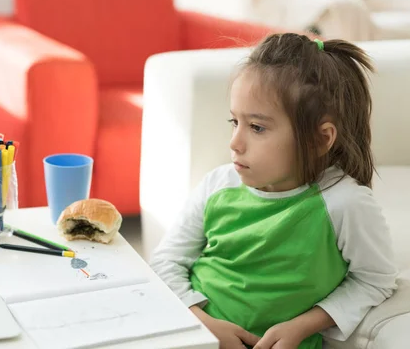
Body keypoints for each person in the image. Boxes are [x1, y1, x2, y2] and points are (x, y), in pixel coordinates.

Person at [150, 33, 398, 349]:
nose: (234, 142)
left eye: (257, 127)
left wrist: (303, 325)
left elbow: (375, 279)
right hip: (195, 336)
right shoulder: (217, 185)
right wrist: (203, 324)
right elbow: (166, 261)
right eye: (234, 121)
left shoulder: (345, 204)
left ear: (320, 140)